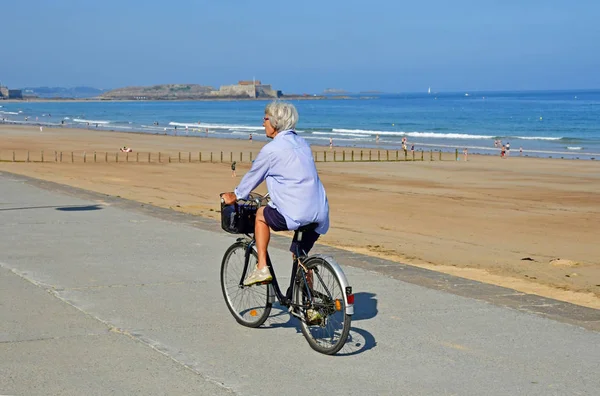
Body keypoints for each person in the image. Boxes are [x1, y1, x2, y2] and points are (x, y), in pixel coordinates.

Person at [221, 101, 329, 286]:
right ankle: (309, 303)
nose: (263, 123)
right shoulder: (303, 143)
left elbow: (254, 176)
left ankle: (262, 267)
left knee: (262, 214)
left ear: (274, 122)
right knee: (300, 254)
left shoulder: (271, 150)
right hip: (319, 212)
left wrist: (235, 195)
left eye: (265, 119)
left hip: (296, 213)